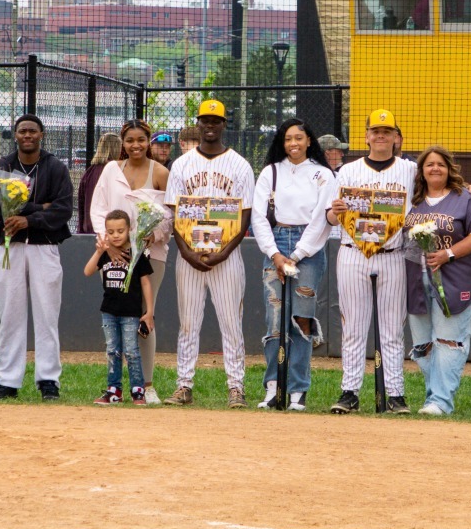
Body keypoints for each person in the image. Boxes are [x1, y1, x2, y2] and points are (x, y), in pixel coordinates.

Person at [307, 109, 414, 414]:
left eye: (387, 131)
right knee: (353, 327)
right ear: (366, 136)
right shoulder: (348, 171)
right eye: (376, 131)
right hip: (353, 252)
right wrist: (335, 211)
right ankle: (349, 392)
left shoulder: (409, 170)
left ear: (396, 137)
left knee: (392, 328)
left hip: (392, 254)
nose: (381, 136)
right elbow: (328, 217)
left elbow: (434, 193)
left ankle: (395, 395)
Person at [165, 100, 256, 408]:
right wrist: (186, 252)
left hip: (226, 257)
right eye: (205, 120)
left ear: (224, 124)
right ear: (199, 123)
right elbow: (174, 214)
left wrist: (224, 253)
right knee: (188, 323)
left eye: (216, 120)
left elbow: (244, 217)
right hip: (188, 255)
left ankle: (236, 387)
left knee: (232, 322)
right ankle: (184, 385)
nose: (210, 125)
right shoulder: (181, 165)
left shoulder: (240, 165)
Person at [0, 113, 75, 399]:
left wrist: (29, 218)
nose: (27, 135)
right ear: (15, 135)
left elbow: (63, 210)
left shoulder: (55, 167)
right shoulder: (3, 166)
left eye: (33, 131)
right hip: (11, 247)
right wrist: (41, 207)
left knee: (47, 314)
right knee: (10, 315)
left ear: (42, 135)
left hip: (44, 246)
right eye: (22, 131)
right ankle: (7, 382)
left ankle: (48, 380)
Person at [85, 119, 169, 403]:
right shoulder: (111, 170)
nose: (136, 145)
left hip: (150, 256)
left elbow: (169, 216)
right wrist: (108, 247)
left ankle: (146, 385)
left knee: (144, 315)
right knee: (117, 317)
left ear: (149, 141)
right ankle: (115, 386)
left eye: (141, 140)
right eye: (130, 140)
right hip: (114, 257)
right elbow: (97, 211)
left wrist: (151, 235)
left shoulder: (160, 172)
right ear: (123, 142)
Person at [253, 118, 332, 410]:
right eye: (288, 139)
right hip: (276, 242)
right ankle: (273, 387)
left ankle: (298, 390)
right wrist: (275, 254)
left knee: (301, 319)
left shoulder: (323, 175)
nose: (293, 144)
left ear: (309, 140)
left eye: (299, 138)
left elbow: (322, 220)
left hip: (308, 250)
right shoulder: (270, 172)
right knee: (275, 318)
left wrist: (296, 255)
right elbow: (258, 218)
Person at [403, 145, 471, 416]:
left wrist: (448, 254)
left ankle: (441, 400)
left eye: (440, 164)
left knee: (449, 341)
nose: (435, 168)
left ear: (449, 168)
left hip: (454, 279)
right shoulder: (413, 201)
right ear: (422, 171)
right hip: (417, 279)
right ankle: (433, 397)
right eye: (429, 165)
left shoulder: (465, 199)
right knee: (423, 343)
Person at [85, 208, 154, 405]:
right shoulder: (106, 254)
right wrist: (99, 251)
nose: (116, 236)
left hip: (130, 313)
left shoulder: (136, 253)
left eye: (120, 231)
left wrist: (149, 312)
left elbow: (146, 283)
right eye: (111, 232)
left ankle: (137, 390)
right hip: (109, 312)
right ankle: (113, 390)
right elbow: (87, 271)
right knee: (112, 350)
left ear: (129, 230)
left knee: (132, 351)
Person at [76, 131, 121, 234]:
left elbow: (81, 202)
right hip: (107, 230)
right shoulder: (113, 170)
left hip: (88, 227)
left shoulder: (90, 171)